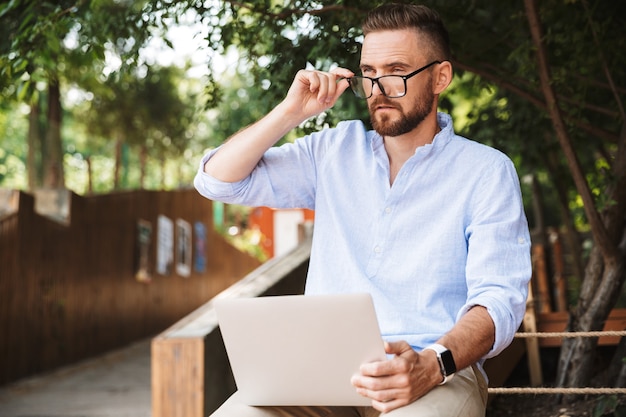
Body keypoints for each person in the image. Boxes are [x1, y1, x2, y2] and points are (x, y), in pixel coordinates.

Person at [194, 3, 531, 416]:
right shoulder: (333, 151)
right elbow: (217, 180)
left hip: (432, 372)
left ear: (440, 76)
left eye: (395, 71)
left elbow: (499, 300)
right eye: (369, 74)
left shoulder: (486, 171)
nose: (378, 89)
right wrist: (291, 112)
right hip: (320, 371)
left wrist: (433, 363)